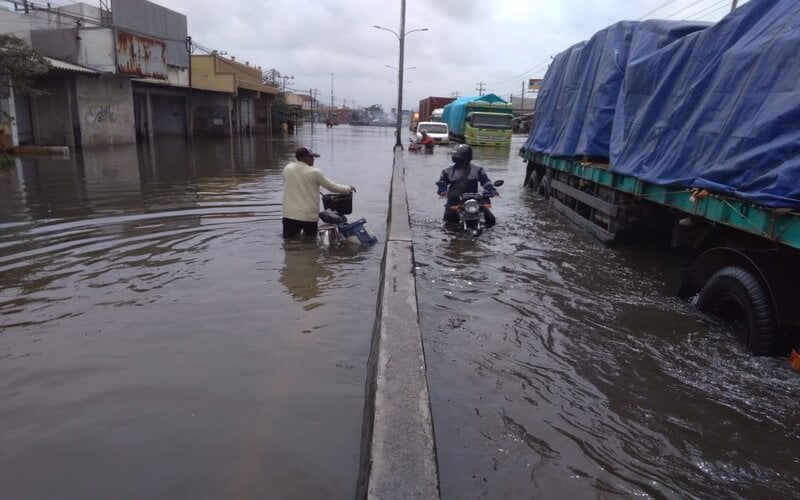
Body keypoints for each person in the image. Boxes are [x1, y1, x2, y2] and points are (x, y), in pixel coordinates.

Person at [282, 146, 356, 238]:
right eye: (311, 157)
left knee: (290, 243)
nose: (313, 159)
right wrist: (348, 188)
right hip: (308, 217)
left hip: (289, 215)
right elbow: (332, 187)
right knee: (310, 243)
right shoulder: (314, 172)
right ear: (304, 158)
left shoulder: (287, 169)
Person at [436, 144, 497, 226]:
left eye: (460, 160)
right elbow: (442, 184)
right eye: (456, 159)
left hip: (474, 199)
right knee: (447, 221)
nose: (459, 162)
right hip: (455, 199)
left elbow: (486, 182)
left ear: (467, 159)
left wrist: (491, 190)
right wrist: (443, 191)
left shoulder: (477, 169)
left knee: (491, 220)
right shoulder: (447, 171)